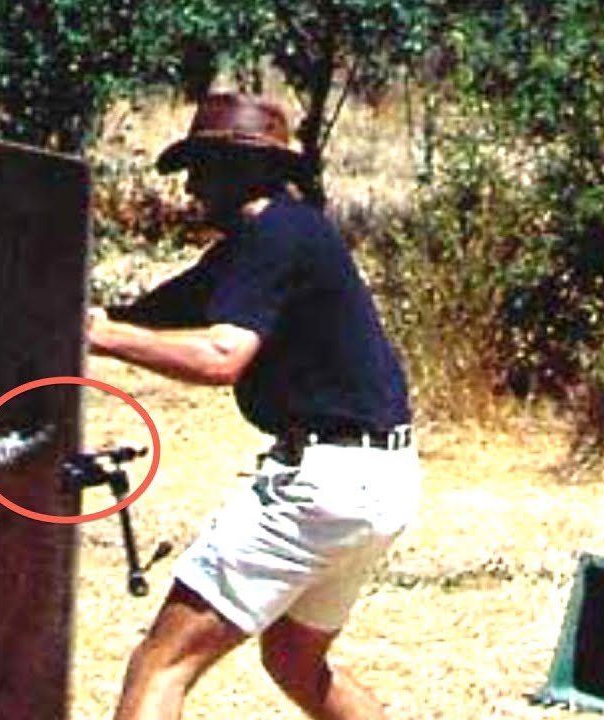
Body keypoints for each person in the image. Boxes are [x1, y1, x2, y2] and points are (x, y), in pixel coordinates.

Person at [86, 92, 421, 720]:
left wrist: (100, 337)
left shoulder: (273, 236)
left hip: (324, 486)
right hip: (383, 482)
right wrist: (103, 317)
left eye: (202, 167)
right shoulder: (275, 238)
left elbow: (221, 357)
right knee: (294, 659)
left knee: (160, 664)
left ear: (244, 169)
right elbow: (167, 306)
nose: (189, 186)